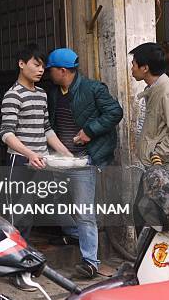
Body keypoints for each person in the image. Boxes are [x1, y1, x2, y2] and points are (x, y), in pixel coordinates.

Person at [0, 43, 73, 291]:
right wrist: (30, 153)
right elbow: (7, 134)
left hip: (39, 162)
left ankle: (23, 267)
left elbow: (45, 129)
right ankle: (15, 271)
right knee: (17, 218)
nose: (41, 70)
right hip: (20, 162)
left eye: (43, 66)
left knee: (29, 218)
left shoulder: (41, 94)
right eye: (36, 64)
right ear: (22, 64)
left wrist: (64, 152)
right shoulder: (13, 95)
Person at [46, 48, 123, 279]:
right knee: (56, 199)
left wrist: (90, 130)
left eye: (50, 69)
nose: (47, 73)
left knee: (84, 210)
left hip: (84, 158)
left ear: (62, 71)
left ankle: (90, 261)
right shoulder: (52, 92)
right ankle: (73, 233)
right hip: (60, 158)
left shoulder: (93, 88)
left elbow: (115, 112)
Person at [130, 43, 169, 174]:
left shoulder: (167, 93)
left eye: (133, 64)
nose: (132, 69)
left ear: (145, 68)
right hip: (158, 168)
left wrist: (156, 155)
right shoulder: (154, 89)